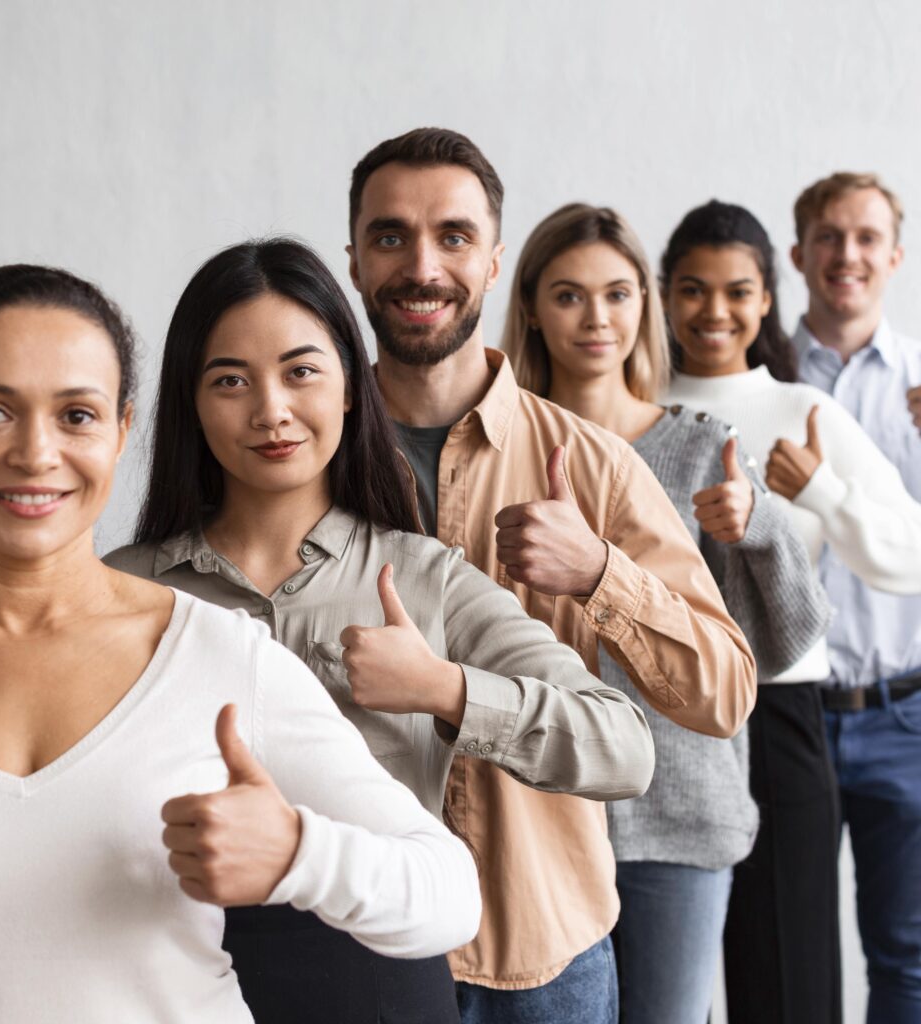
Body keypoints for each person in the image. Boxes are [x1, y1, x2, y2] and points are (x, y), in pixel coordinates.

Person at [0, 263, 482, 1024]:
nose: (36, 454)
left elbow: (448, 895)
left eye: (76, 415)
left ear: (120, 433)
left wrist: (299, 854)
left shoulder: (216, 657)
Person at [106, 237, 655, 1024]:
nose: (271, 411)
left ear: (353, 390)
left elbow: (625, 746)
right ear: (189, 400)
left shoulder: (426, 577)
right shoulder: (122, 587)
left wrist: (445, 689)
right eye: (231, 380)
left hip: (380, 984)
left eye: (301, 372)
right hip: (162, 979)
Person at [345, 126, 757, 1024]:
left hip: (546, 945)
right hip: (360, 938)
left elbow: (723, 693)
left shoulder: (594, 464)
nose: (422, 266)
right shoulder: (301, 451)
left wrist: (602, 573)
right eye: (390, 237)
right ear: (353, 260)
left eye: (452, 237)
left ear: (494, 262)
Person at [501, 201, 831, 1024]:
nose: (596, 317)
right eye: (569, 295)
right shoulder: (494, 446)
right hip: (531, 815)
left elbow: (777, 647)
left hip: (678, 819)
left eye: (617, 293)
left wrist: (759, 528)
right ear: (534, 309)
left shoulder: (698, 445)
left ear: (643, 305)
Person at [661, 200, 921, 1024]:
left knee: (793, 984)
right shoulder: (628, 403)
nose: (714, 311)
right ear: (665, 296)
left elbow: (910, 557)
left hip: (778, 713)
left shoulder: (805, 412)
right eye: (694, 290)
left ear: (767, 299)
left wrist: (821, 493)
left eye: (737, 291)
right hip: (658, 718)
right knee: (663, 985)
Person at [789, 172, 921, 1024]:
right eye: (830, 237)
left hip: (905, 716)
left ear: (895, 255)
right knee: (783, 949)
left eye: (867, 238)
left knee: (908, 961)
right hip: (784, 716)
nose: (848, 255)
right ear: (798, 254)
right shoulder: (755, 376)